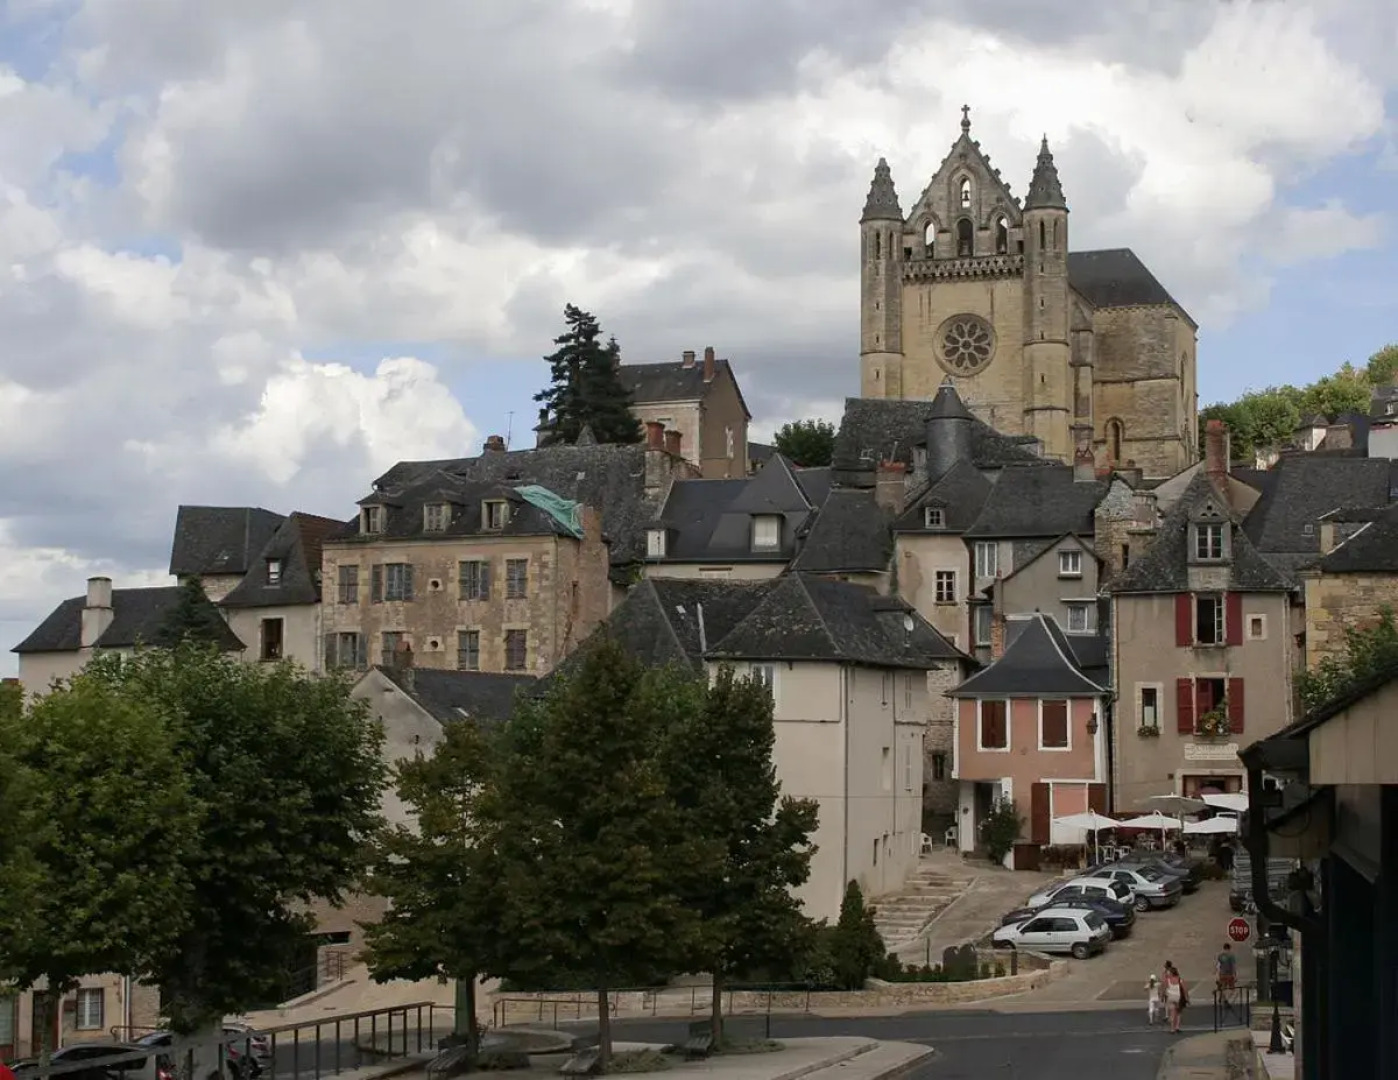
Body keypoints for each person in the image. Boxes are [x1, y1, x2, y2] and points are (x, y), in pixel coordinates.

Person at [1162, 961, 1187, 1033]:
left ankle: (1172, 1029)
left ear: (1171, 973)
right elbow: (1185, 989)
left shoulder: (1168, 980)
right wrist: (1186, 997)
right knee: (1178, 1013)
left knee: (1172, 1013)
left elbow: (1165, 988)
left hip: (1170, 997)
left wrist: (1162, 996)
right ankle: (1177, 1027)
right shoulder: (1179, 979)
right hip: (1178, 997)